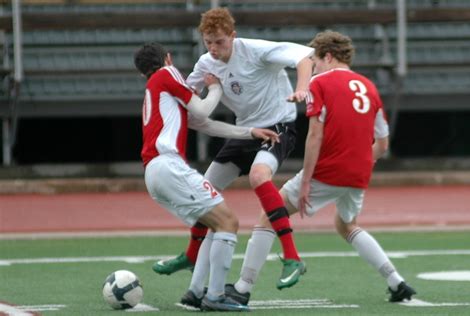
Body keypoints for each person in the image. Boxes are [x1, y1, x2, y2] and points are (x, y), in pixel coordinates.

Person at [224, 30, 417, 305]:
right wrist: (359, 161)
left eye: (314, 59)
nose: (312, 65)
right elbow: (382, 144)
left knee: (271, 212)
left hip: (329, 169)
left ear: (327, 56)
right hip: (359, 172)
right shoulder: (369, 86)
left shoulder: (319, 83)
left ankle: (242, 288)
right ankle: (396, 281)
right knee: (347, 224)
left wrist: (306, 182)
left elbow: (315, 135)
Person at [152, 7, 314, 299]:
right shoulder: (205, 63)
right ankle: (193, 273)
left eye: (220, 42)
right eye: (208, 42)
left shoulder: (254, 50)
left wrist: (302, 89)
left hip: (278, 125)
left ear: (233, 37)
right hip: (246, 131)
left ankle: (292, 256)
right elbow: (186, 98)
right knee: (206, 192)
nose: (214, 49)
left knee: (258, 176)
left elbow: (304, 57)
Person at [134, 42, 280, 311]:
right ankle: (215, 296)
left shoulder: (159, 92)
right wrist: (215, 87)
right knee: (228, 221)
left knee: (215, 224)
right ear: (167, 58)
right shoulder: (167, 74)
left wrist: (249, 132)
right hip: (168, 165)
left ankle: (196, 291)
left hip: (155, 172)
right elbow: (202, 109)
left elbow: (205, 125)